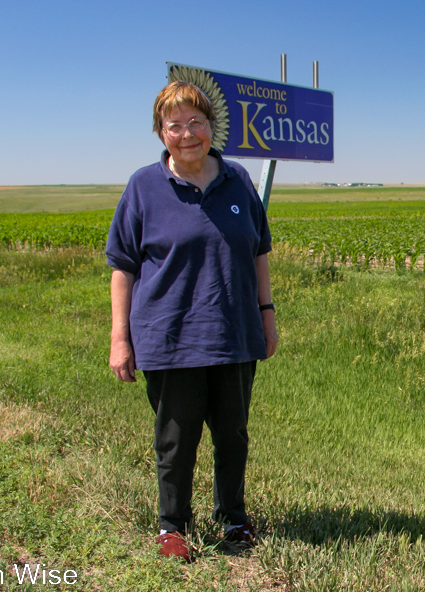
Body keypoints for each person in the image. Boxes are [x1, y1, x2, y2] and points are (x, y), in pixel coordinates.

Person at [106, 80, 277, 561]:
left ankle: (234, 520)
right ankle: (172, 526)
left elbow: (259, 251)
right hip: (170, 335)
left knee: (233, 434)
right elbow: (123, 265)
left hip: (235, 331)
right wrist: (120, 338)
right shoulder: (144, 186)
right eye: (174, 125)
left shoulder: (238, 179)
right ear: (161, 133)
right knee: (176, 439)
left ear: (211, 126)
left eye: (195, 122)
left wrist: (267, 314)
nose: (187, 134)